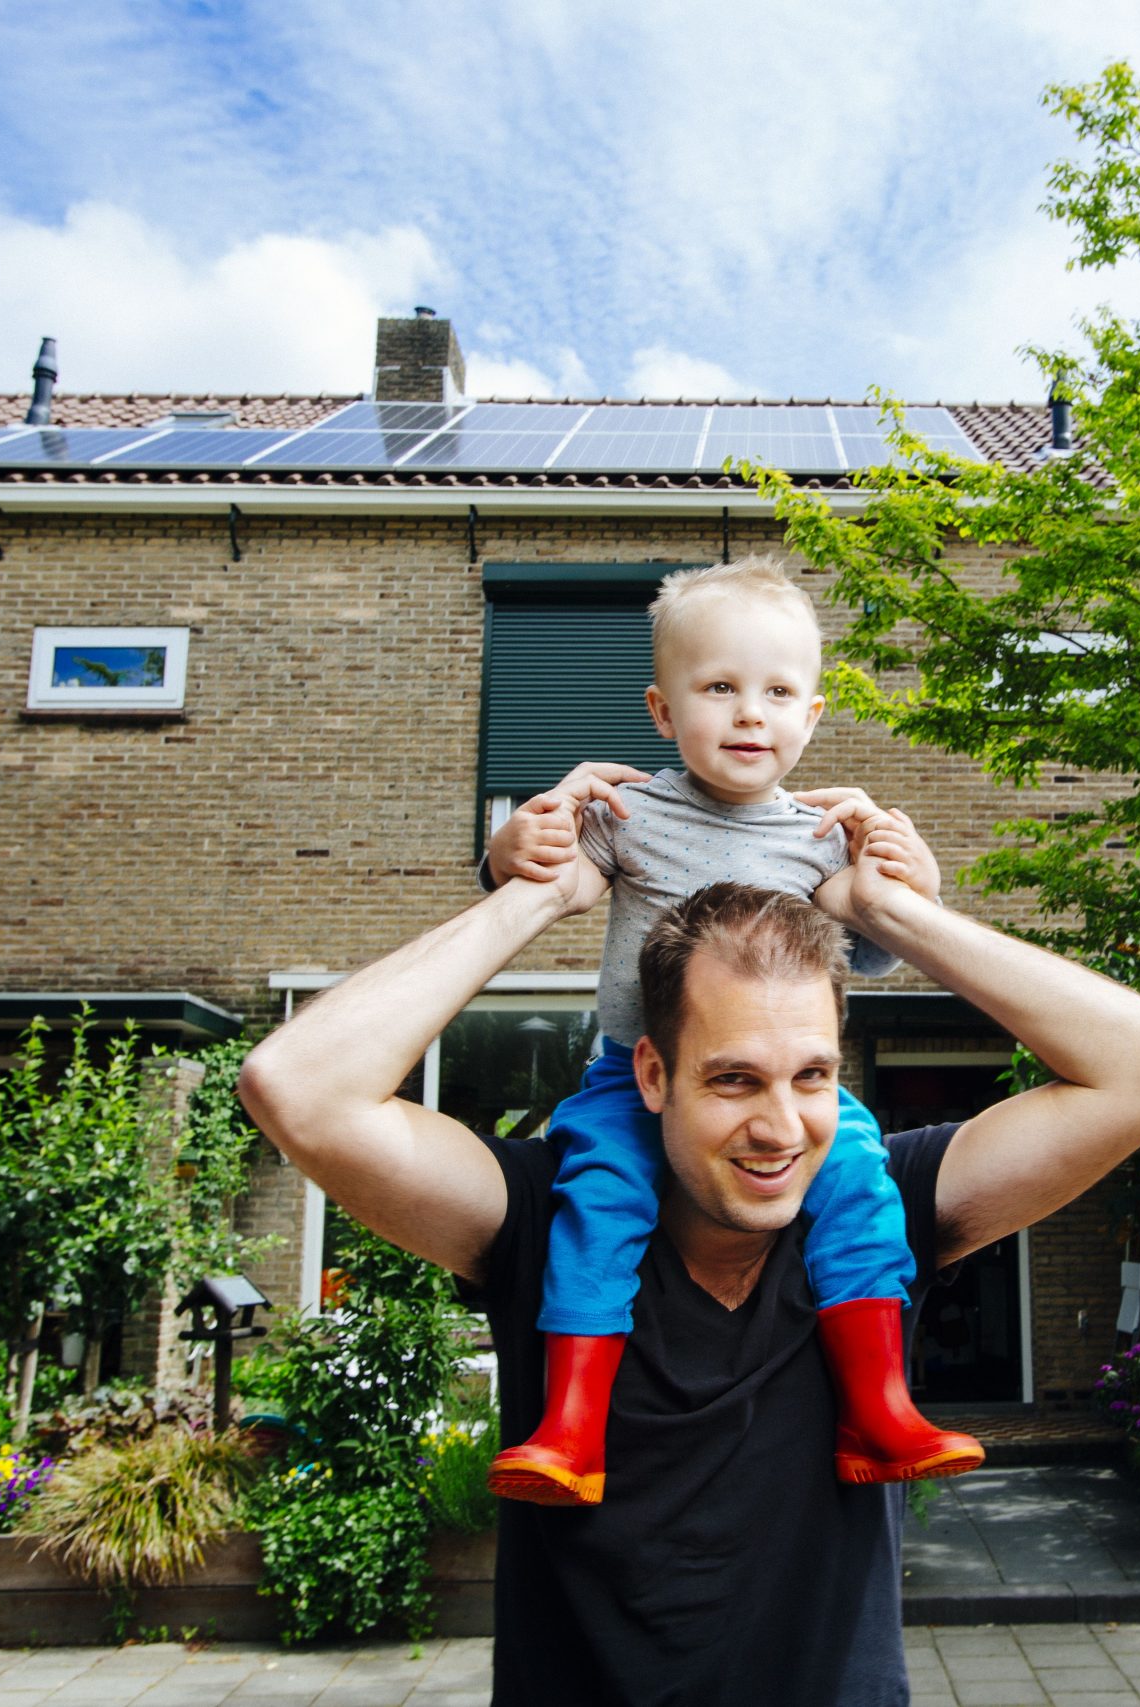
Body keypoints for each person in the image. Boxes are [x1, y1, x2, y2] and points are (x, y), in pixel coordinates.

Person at [239, 824, 1140, 1704]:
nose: (780, 1128)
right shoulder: (548, 1217)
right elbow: (298, 1088)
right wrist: (532, 897)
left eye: (813, 1076)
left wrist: (895, 915)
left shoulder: (880, 1214)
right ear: (652, 1075)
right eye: (734, 1078)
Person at [474, 555, 970, 1506]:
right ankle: (571, 1428)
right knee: (601, 1205)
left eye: (779, 691)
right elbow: (533, 878)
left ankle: (880, 1407)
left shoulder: (821, 835)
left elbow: (870, 955)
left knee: (862, 1186)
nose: (751, 713)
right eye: (721, 688)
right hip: (631, 1076)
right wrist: (513, 845)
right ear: (663, 711)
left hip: (774, 1079)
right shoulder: (627, 812)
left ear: (813, 716)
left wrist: (915, 881)